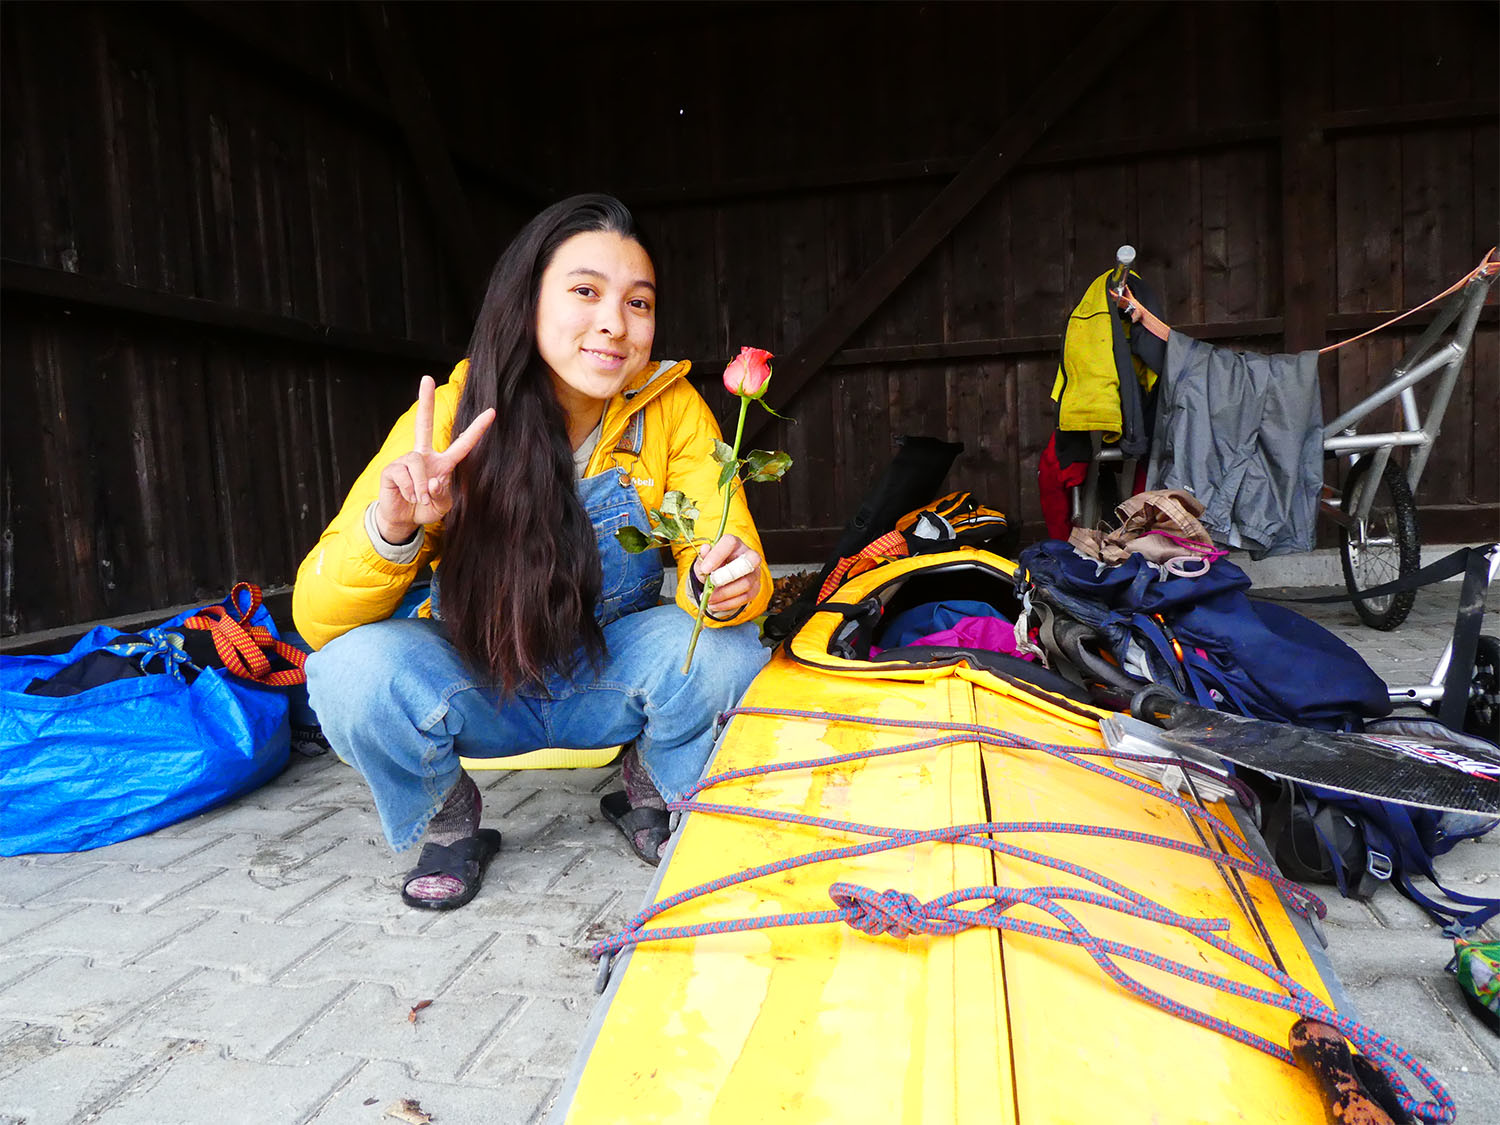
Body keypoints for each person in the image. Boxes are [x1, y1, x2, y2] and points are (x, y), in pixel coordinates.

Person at [293, 194, 772, 910]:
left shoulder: (674, 411)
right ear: (526, 302)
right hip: (481, 678)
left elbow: (731, 554)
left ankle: (647, 783)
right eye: (585, 292)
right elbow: (317, 619)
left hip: (613, 672)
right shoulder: (453, 414)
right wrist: (395, 528)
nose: (615, 323)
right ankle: (449, 816)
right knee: (347, 672)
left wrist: (721, 583)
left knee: (731, 652)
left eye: (638, 303)